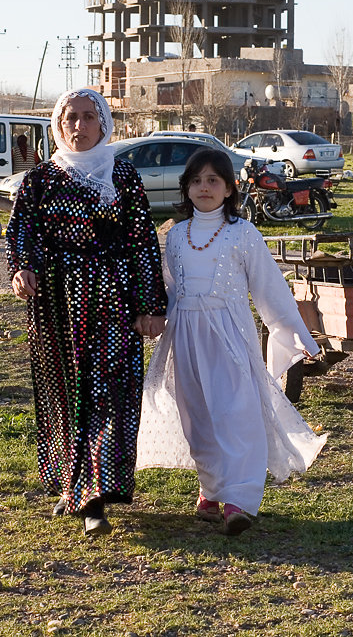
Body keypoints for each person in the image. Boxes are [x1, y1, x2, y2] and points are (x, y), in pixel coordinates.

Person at [136, 148, 326, 536]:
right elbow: (169, 289)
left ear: (229, 189)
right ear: (186, 188)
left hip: (230, 340)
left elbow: (270, 289)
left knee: (237, 414)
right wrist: (150, 316)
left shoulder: (243, 234)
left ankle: (239, 499)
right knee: (199, 419)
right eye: (196, 180)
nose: (204, 187)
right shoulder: (175, 236)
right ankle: (211, 490)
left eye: (213, 180)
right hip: (186, 340)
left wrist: (294, 332)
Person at [6, 88, 168, 537]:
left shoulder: (123, 176)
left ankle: (95, 497)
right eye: (69, 118)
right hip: (55, 306)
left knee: (110, 394)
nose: (78, 126)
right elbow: (23, 233)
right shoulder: (40, 179)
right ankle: (71, 486)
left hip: (112, 302)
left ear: (104, 124)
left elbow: (140, 242)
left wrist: (150, 305)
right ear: (58, 125)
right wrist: (22, 270)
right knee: (63, 395)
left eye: (87, 117)